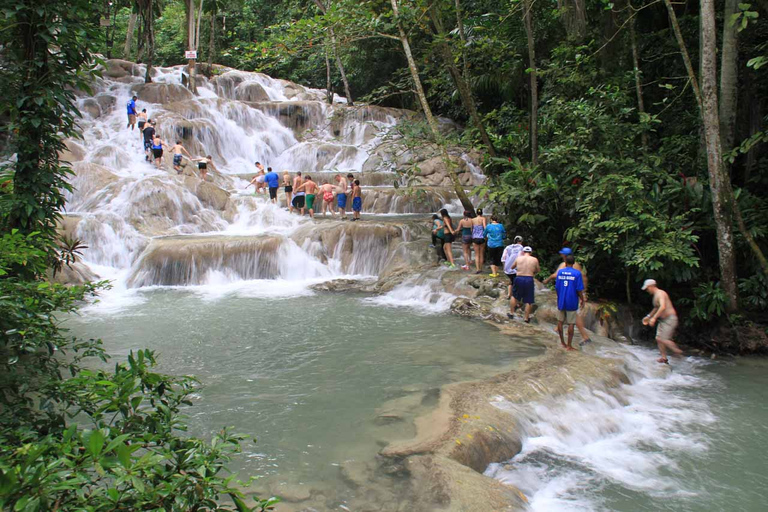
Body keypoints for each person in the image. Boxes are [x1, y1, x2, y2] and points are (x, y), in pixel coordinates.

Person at [543, 248, 592, 345]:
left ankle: (585, 337)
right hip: (574, 292)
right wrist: (584, 292)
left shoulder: (564, 265)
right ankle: (558, 329)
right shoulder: (576, 264)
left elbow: (556, 276)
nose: (560, 255)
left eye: (562, 254)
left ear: (565, 256)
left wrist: (547, 280)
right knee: (568, 312)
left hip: (571, 293)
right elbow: (584, 278)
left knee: (573, 315)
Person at [641, 279, 684, 364]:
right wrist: (648, 316)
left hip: (670, 319)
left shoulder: (661, 293)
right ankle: (664, 358)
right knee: (658, 338)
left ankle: (678, 352)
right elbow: (656, 308)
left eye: (647, 288)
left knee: (663, 339)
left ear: (652, 286)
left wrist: (654, 318)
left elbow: (662, 307)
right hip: (663, 320)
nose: (647, 290)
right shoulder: (655, 296)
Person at [555, 255, 586, 351]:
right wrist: (582, 299)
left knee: (560, 321)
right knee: (571, 323)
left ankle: (562, 343)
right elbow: (579, 289)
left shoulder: (560, 272)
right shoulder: (577, 274)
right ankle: (569, 345)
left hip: (561, 299)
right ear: (573, 263)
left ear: (565, 263)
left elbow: (557, 287)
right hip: (571, 300)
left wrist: (559, 296)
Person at [508, 246, 539, 323]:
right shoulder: (534, 259)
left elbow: (512, 267)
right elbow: (538, 270)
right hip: (529, 279)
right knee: (529, 299)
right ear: (531, 252)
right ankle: (526, 318)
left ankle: (511, 313)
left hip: (519, 278)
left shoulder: (519, 258)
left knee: (514, 296)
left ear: (523, 252)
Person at [502, 235, 524, 302]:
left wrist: (504, 267)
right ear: (521, 241)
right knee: (515, 283)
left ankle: (509, 294)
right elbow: (520, 257)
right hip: (515, 268)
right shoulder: (521, 247)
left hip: (507, 268)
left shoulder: (508, 247)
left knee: (511, 281)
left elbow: (503, 257)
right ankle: (515, 299)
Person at [471, 209, 487, 274]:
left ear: (476, 213)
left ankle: (477, 269)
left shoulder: (472, 220)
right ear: (482, 213)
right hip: (482, 237)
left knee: (476, 255)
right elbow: (485, 227)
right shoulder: (483, 218)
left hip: (475, 238)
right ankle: (481, 268)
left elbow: (471, 229)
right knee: (481, 254)